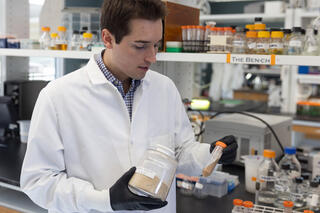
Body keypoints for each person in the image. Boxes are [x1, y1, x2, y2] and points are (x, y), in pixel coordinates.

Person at [20, 0, 238, 212]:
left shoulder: (164, 88)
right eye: (140, 46)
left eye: (156, 45)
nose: (152, 57)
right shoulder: (58, 96)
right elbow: (38, 181)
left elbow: (178, 152)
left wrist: (210, 153)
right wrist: (106, 200)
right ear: (108, 38)